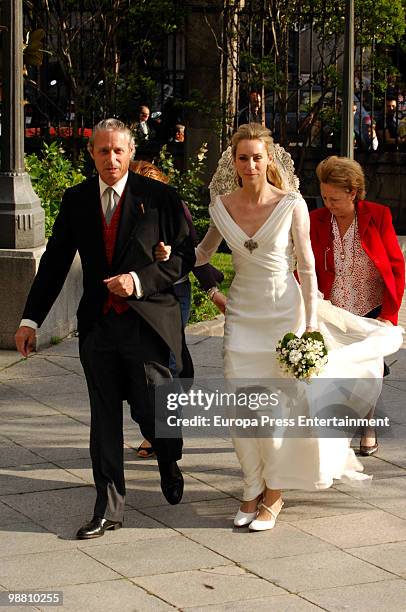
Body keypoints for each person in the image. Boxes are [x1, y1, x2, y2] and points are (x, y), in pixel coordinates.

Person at [158, 123, 403, 532]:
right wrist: (171, 253)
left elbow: (306, 268)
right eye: (243, 157)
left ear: (268, 159)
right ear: (233, 162)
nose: (250, 164)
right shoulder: (222, 205)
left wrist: (308, 326)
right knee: (243, 410)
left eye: (257, 157)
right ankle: (250, 488)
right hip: (242, 317)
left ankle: (274, 493)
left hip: (284, 317)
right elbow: (202, 253)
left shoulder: (291, 204)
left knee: (275, 412)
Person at [15, 118, 196, 539]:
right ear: (92, 153)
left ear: (130, 153)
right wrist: (29, 319)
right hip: (98, 326)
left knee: (154, 407)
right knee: (104, 418)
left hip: (147, 323)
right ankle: (108, 507)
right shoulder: (77, 200)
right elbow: (55, 263)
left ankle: (168, 456)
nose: (111, 159)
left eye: (118, 151)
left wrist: (140, 280)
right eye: (103, 151)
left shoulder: (160, 197)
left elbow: (185, 257)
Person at [310, 156, 405, 455]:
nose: (329, 204)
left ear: (353, 192)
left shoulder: (378, 215)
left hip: (371, 306)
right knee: (333, 368)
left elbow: (395, 265)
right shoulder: (316, 220)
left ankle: (368, 426)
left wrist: (390, 314)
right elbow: (308, 265)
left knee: (369, 368)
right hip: (333, 306)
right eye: (325, 197)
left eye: (335, 198)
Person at [130, 160, 224, 459]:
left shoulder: (175, 207)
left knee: (167, 363)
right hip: (137, 296)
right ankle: (156, 426)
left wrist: (212, 290)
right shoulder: (121, 212)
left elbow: (194, 249)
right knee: (143, 366)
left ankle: (164, 432)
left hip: (174, 292)